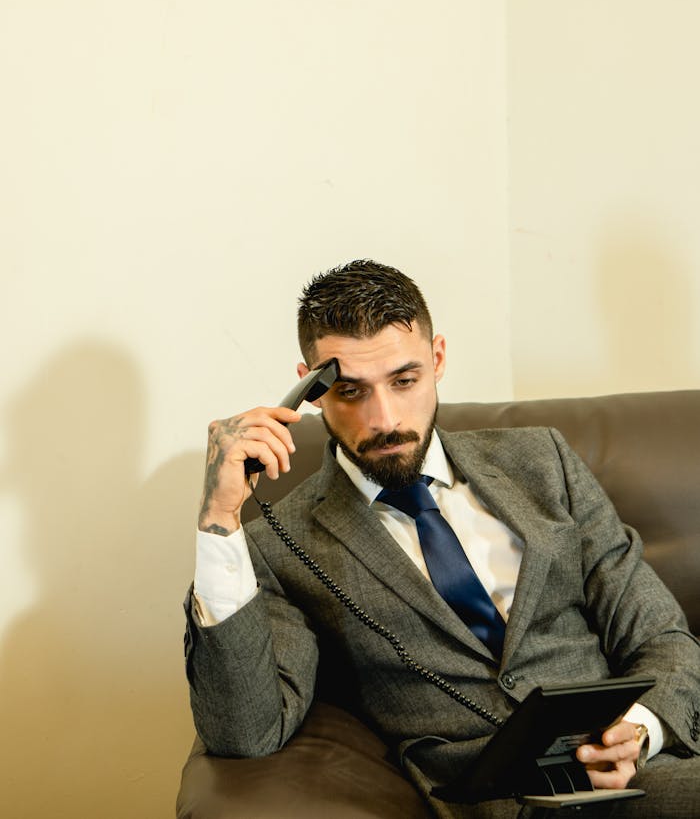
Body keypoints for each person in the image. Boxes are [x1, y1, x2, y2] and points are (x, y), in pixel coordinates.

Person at [184, 260, 700, 818]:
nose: (384, 419)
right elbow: (245, 731)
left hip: (646, 779)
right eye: (351, 391)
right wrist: (219, 519)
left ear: (438, 360)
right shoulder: (278, 547)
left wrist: (641, 730)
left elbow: (664, 636)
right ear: (311, 388)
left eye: (404, 381)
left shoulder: (543, 462)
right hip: (497, 802)